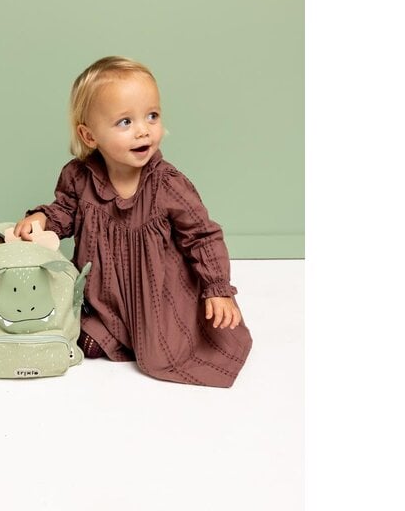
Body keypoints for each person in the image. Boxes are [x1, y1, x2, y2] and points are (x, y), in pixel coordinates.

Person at [14, 56, 252, 387]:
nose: (143, 130)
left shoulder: (167, 185)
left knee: (162, 352)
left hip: (157, 295)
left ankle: (148, 336)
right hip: (105, 294)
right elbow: (65, 211)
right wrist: (42, 218)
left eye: (152, 116)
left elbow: (202, 236)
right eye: (125, 122)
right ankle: (110, 332)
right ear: (89, 135)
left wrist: (217, 288)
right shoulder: (80, 177)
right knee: (68, 323)